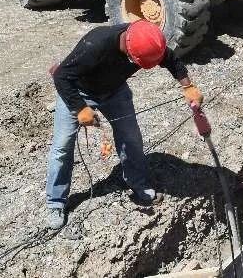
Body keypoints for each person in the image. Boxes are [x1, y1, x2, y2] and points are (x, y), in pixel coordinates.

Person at [46, 20, 204, 229]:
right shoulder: (96, 44)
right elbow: (61, 76)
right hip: (78, 91)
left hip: (115, 90)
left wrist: (188, 86)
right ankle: (55, 201)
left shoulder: (148, 40)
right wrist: (80, 108)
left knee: (131, 136)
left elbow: (170, 59)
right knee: (62, 146)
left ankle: (138, 182)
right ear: (128, 48)